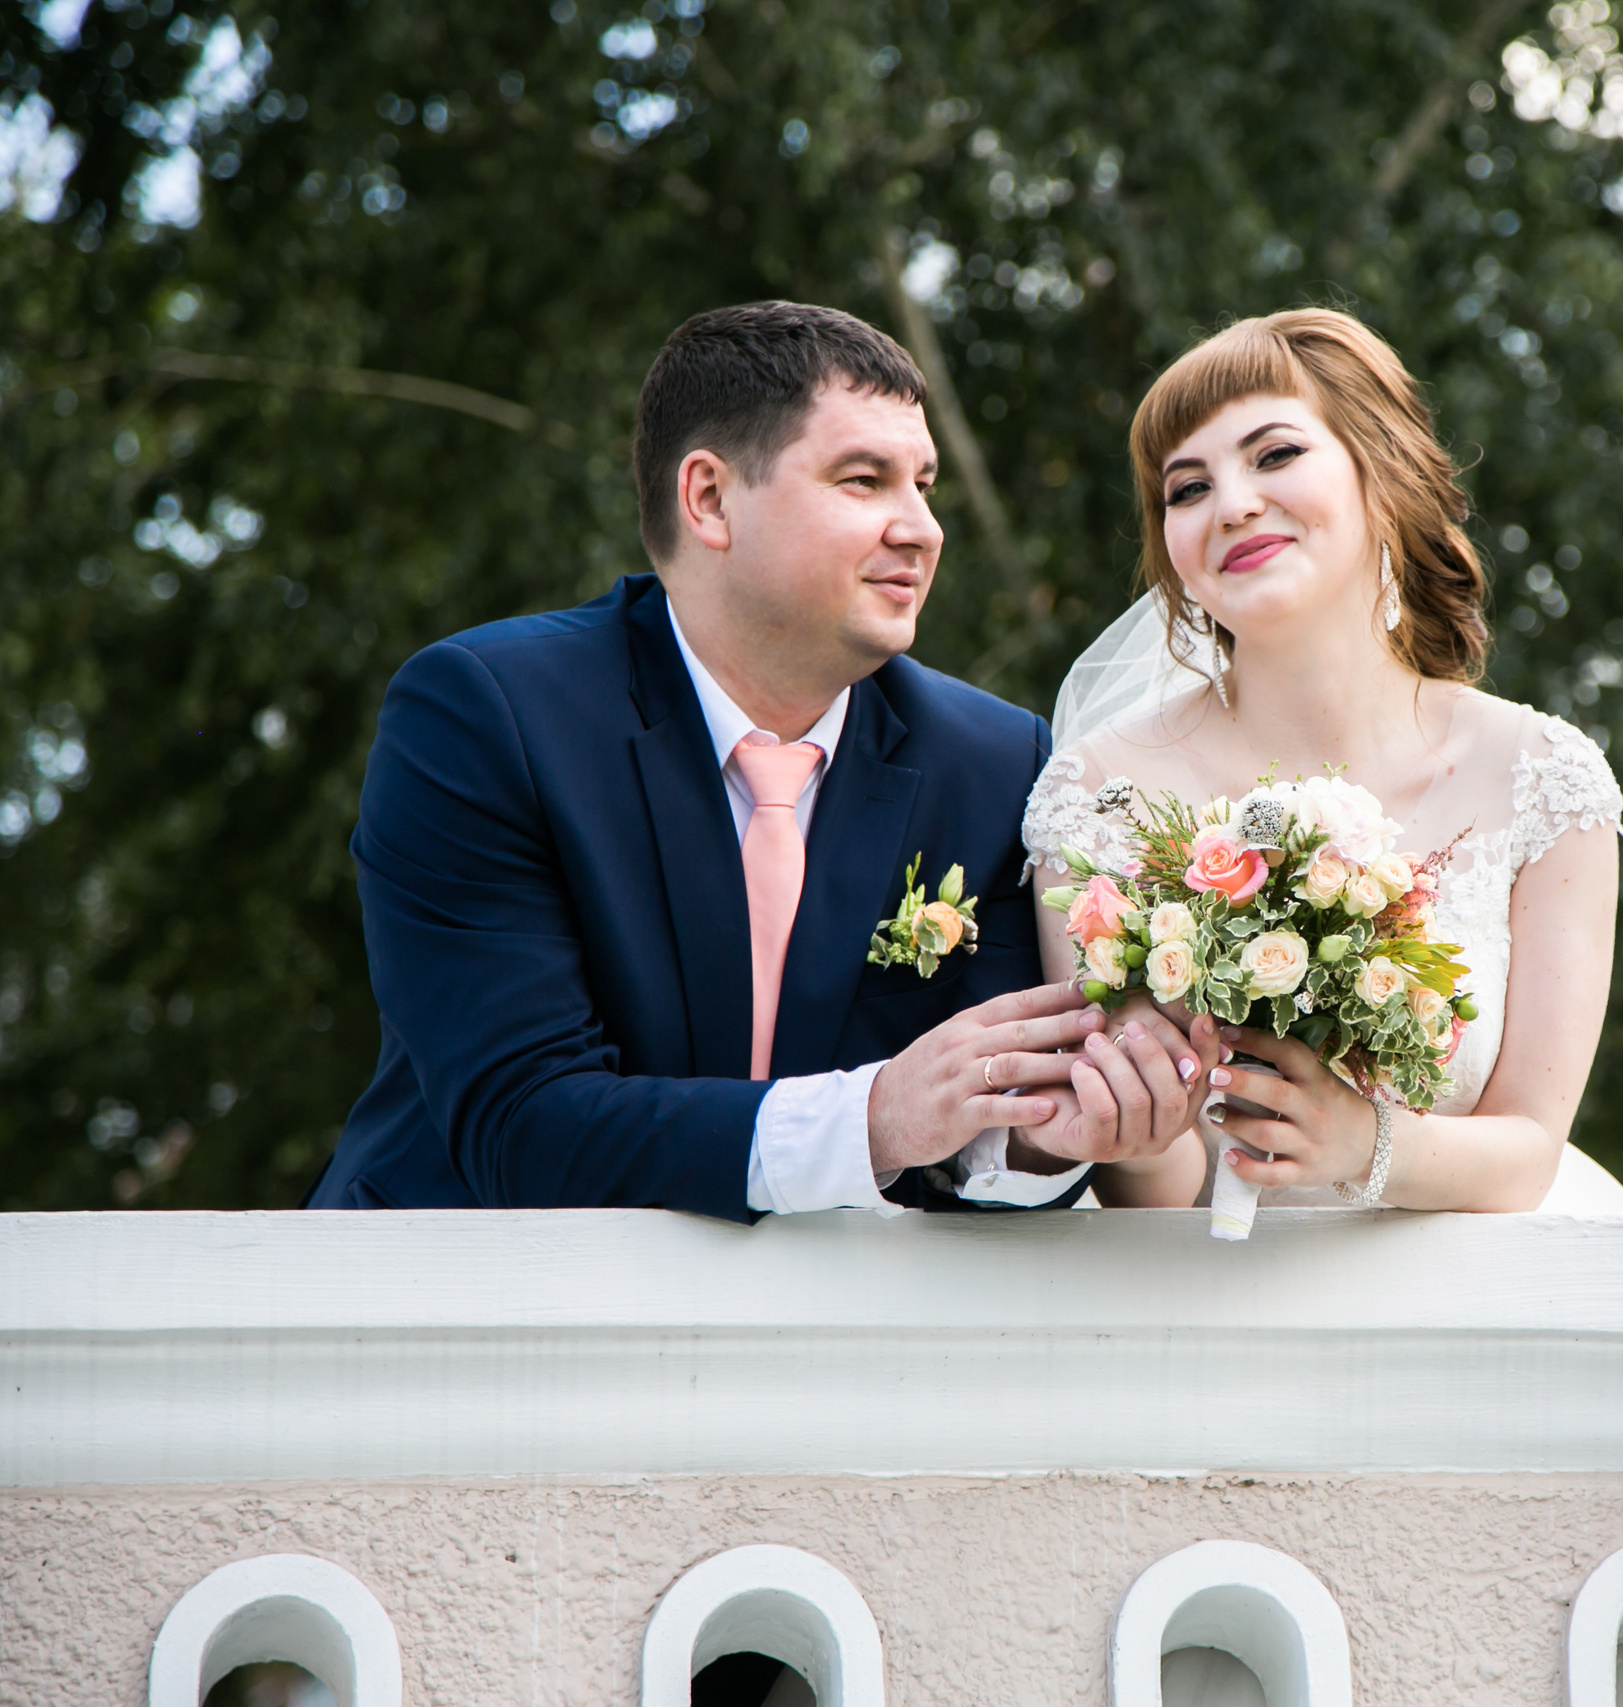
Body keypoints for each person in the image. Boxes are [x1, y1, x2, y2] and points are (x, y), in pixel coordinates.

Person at [309, 301, 1216, 1216]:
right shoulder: (486, 715)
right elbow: (522, 1123)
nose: (922, 529)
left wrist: (1033, 1140)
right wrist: (874, 1118)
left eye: (925, 485)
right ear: (708, 498)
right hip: (461, 1314)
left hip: (823, 1339)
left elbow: (972, 1140)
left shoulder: (990, 759)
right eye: (864, 480)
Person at [1022, 309, 1623, 1214]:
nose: (1231, 503)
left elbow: (1528, 1150)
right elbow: (1151, 1198)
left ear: (1377, 472)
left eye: (1273, 456)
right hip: (1208, 1304)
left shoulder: (1542, 777)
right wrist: (1141, 1131)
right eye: (1186, 489)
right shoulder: (1097, 794)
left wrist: (1367, 1142)